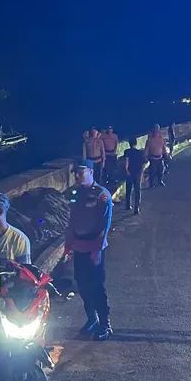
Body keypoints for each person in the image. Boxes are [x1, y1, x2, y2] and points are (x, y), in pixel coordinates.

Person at [65, 159, 114, 341]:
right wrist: (68, 244)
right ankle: (92, 318)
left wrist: (97, 249)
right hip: (79, 246)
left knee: (97, 286)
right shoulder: (77, 194)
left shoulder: (102, 195)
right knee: (82, 284)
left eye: (81, 172)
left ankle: (105, 323)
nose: (78, 176)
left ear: (91, 172)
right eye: (76, 173)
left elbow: (105, 224)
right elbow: (72, 220)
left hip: (94, 247)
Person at [122, 136, 146, 214]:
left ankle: (128, 205)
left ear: (129, 144)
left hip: (130, 172)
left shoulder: (127, 151)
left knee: (128, 189)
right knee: (137, 190)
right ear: (136, 143)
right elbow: (144, 163)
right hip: (138, 173)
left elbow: (126, 161)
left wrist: (126, 170)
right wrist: (141, 172)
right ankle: (136, 208)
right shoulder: (140, 152)